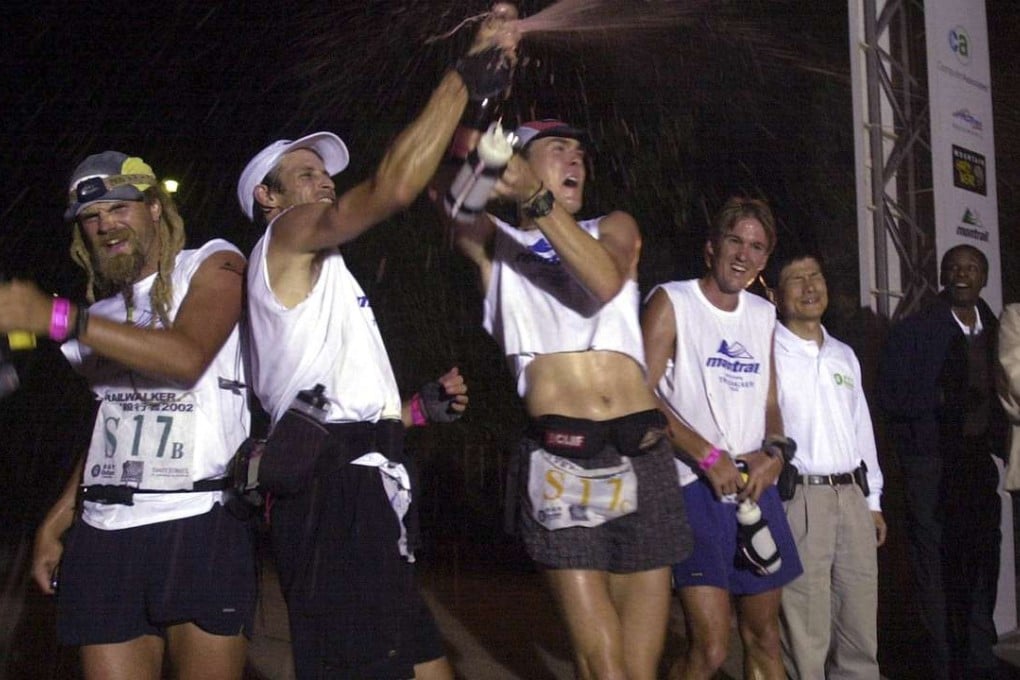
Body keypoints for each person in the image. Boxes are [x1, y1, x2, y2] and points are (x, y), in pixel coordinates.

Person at [235, 7, 519, 678]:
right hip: (337, 503)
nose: (324, 182)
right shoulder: (286, 236)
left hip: (366, 488)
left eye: (324, 173)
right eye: (304, 175)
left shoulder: (322, 275)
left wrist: (412, 411)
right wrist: (465, 75)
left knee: (425, 668)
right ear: (270, 202)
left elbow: (330, 395)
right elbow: (393, 186)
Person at [443, 116, 691, 680]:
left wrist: (533, 191)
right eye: (558, 149)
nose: (576, 159)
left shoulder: (615, 226)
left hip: (644, 451)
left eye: (581, 152)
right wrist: (482, 148)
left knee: (637, 668)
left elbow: (605, 281)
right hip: (562, 459)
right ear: (523, 161)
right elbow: (447, 198)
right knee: (603, 667)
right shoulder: (496, 245)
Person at [0, 151, 254, 679]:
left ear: (155, 208)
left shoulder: (212, 264)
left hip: (197, 519)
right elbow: (111, 424)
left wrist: (58, 317)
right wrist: (57, 520)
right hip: (105, 530)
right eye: (91, 218)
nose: (104, 226)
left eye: (119, 208)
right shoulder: (101, 315)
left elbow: (186, 358)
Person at [641, 196, 803, 680]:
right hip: (694, 489)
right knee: (710, 650)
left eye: (756, 246)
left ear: (765, 259)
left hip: (756, 491)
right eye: (735, 241)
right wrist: (705, 454)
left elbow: (771, 401)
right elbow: (636, 392)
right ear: (711, 248)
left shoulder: (762, 314)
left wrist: (775, 452)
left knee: (766, 638)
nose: (744, 255)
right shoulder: (671, 300)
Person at [878, 244, 1007, 680]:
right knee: (933, 565)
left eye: (971, 268)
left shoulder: (996, 328)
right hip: (929, 465)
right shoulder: (914, 330)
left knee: (982, 556)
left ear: (983, 277)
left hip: (975, 465)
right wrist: (938, 404)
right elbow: (891, 398)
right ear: (943, 276)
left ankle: (978, 656)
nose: (962, 274)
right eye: (953, 268)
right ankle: (941, 662)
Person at [768, 250, 886, 679]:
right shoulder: (769, 352)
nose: (809, 286)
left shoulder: (843, 354)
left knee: (859, 625)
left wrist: (872, 499)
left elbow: (861, 429)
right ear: (778, 296)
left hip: (851, 497)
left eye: (815, 276)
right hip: (801, 499)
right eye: (796, 279)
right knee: (805, 629)